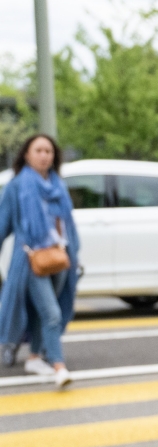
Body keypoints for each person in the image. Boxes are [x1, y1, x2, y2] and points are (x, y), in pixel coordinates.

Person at [0, 135, 80, 389]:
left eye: (49, 151)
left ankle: (34, 357)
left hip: (59, 258)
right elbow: (3, 224)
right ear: (27, 154)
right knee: (52, 313)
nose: (45, 155)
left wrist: (74, 255)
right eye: (39, 150)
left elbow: (67, 225)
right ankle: (58, 366)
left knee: (42, 311)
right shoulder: (17, 186)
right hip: (32, 260)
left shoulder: (58, 185)